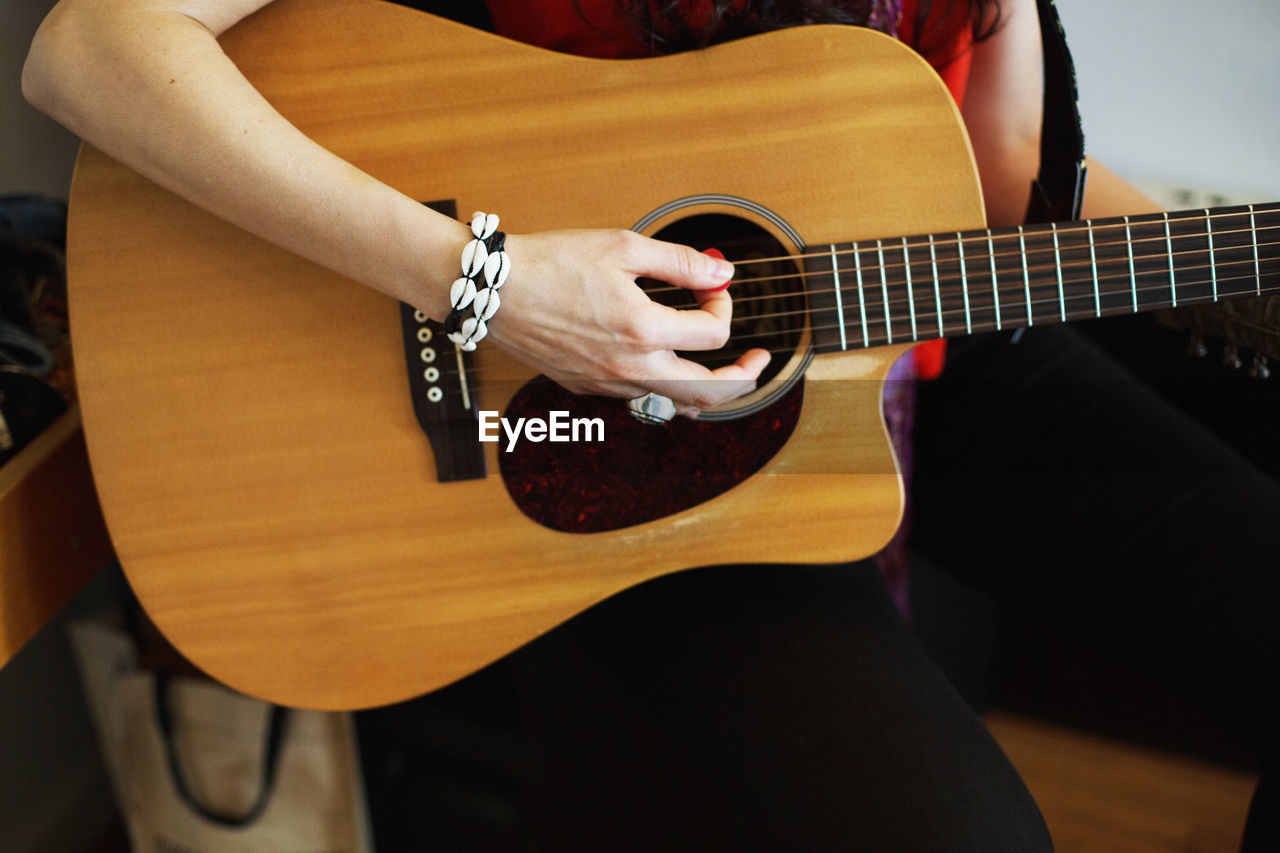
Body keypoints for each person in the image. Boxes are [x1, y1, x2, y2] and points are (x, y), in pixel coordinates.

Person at [22, 0, 1277, 849]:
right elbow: (85, 46)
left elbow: (1005, 178)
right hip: (576, 429)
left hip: (896, 340)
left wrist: (1247, 270)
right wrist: (493, 285)